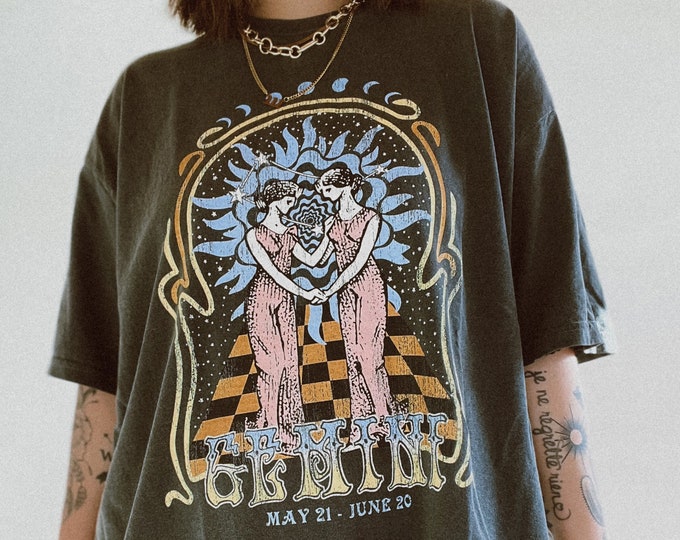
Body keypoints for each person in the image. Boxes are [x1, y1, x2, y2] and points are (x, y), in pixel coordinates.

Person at [50, 0, 614, 538]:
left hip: (366, 316)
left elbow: (548, 333)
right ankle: (280, 438)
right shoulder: (143, 98)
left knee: (367, 361)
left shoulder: (477, 43)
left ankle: (369, 423)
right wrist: (313, 282)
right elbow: (104, 383)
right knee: (275, 374)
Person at [315, 166, 402, 441]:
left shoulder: (370, 217)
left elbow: (359, 262)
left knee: (370, 357)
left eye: (327, 188)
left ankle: (383, 419)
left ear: (343, 186)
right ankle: (362, 422)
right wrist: (315, 234)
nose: (323, 194)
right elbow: (318, 260)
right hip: (346, 292)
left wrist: (330, 289)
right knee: (353, 357)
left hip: (367, 286)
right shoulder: (331, 222)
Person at [245, 180, 327, 451]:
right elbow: (272, 272)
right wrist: (305, 291)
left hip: (285, 301)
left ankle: (287, 427)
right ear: (274, 200)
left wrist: (329, 236)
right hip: (262, 298)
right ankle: (270, 427)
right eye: (288, 200)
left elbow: (313, 260)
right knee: (272, 365)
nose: (292, 206)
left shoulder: (290, 233)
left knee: (289, 363)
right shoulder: (255, 234)